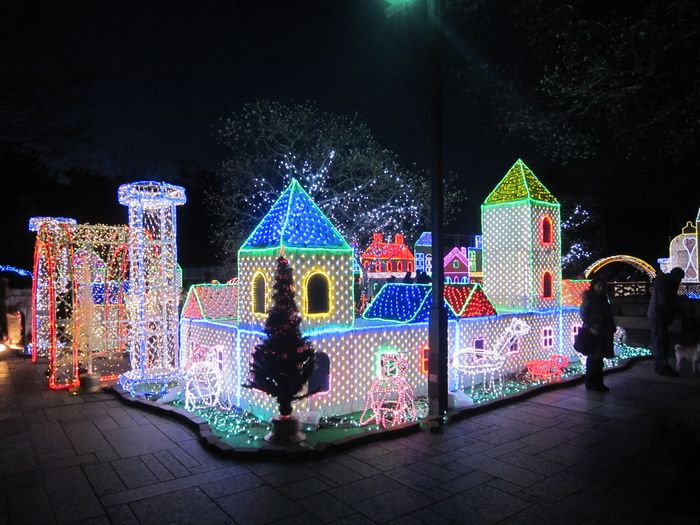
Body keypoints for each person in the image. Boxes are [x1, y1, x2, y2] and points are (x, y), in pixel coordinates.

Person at [578, 277, 616, 391]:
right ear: (593, 286)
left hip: (603, 331)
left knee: (599, 359)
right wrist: (592, 325)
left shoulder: (603, 298)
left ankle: (597, 382)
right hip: (594, 332)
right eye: (598, 286)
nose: (600, 288)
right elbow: (583, 314)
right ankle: (592, 382)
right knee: (594, 358)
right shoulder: (590, 299)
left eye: (602, 286)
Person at [648, 267, 685, 376]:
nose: (680, 281)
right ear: (676, 276)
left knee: (661, 340)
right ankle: (662, 366)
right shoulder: (666, 283)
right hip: (659, 316)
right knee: (660, 341)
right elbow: (664, 301)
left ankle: (661, 365)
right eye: (680, 278)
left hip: (660, 315)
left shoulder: (666, 281)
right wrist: (675, 308)